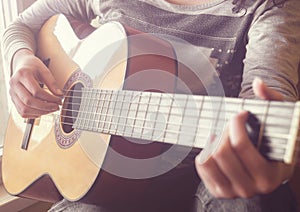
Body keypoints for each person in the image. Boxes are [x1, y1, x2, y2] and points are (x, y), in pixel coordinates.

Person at [2, 0, 300, 211]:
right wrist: (22, 59)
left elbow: (267, 94)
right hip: (107, 178)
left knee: (250, 204)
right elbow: (22, 25)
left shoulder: (272, 5)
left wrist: (269, 156)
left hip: (209, 175)